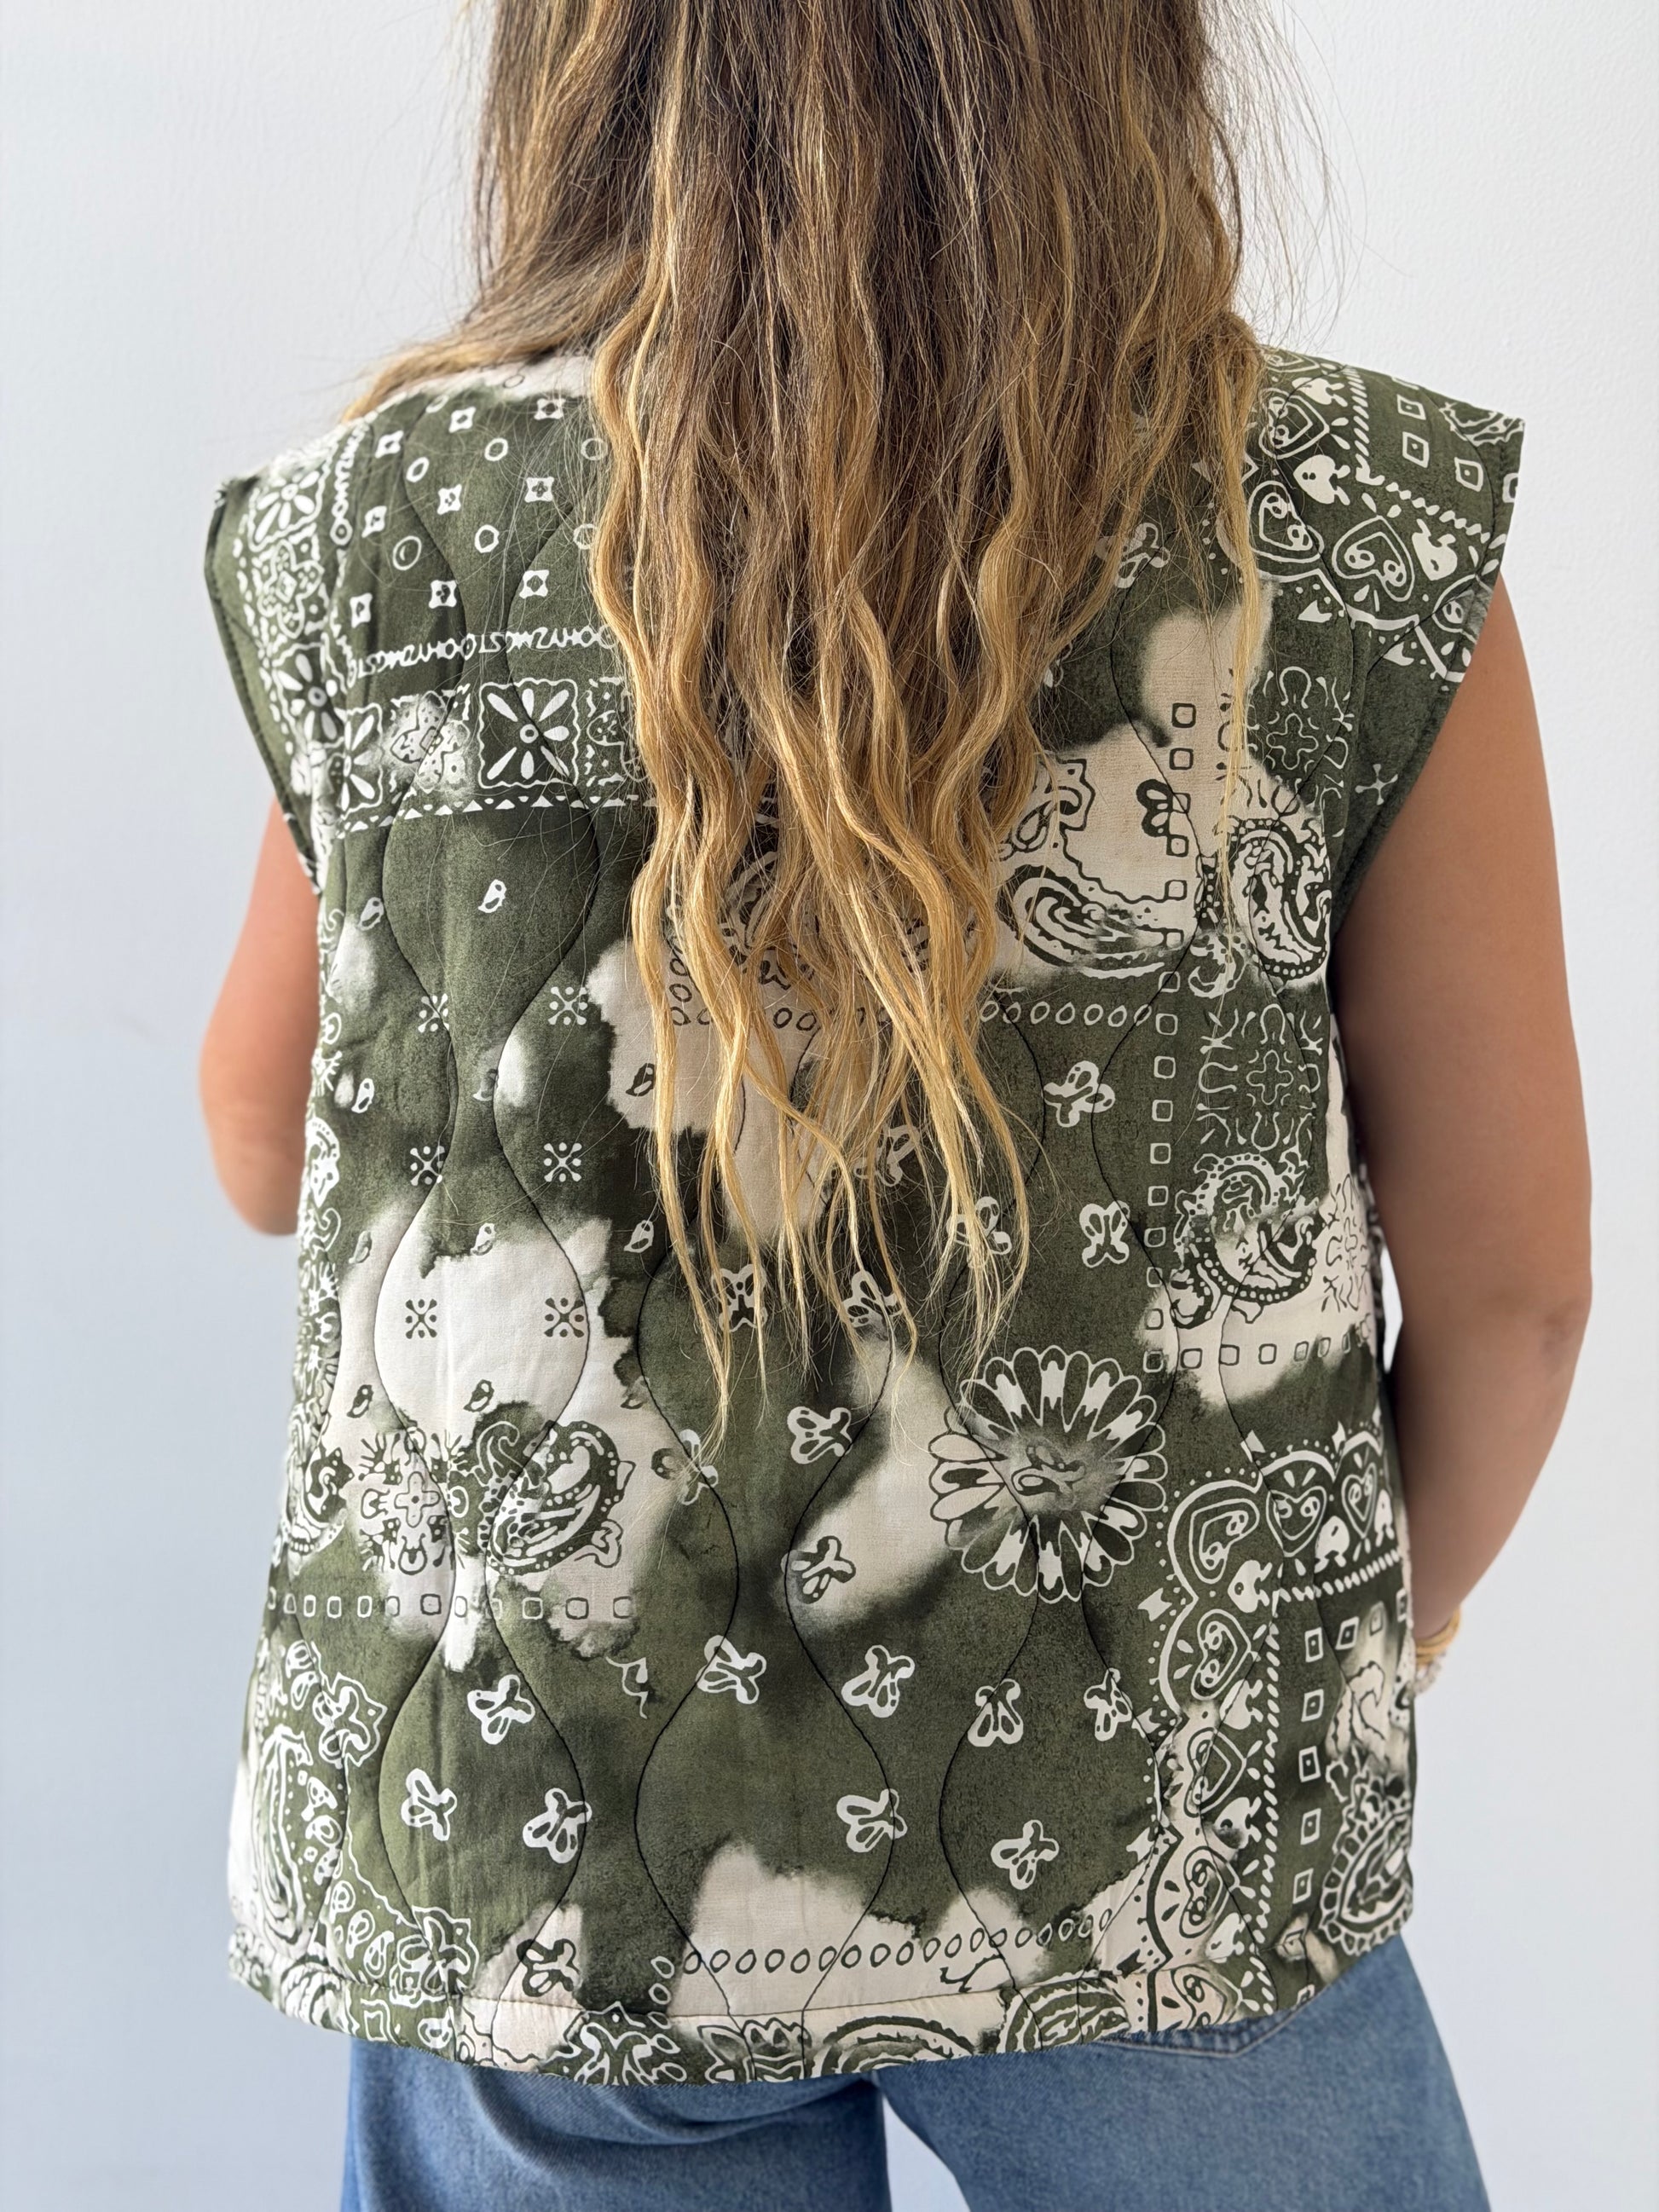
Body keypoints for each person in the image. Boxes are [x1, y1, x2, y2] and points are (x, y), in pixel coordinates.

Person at [198, 3, 1590, 2207]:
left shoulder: (393, 530)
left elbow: (259, 1136)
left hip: (554, 1855)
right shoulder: (1343, 534)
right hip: (1166, 1831)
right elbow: (1514, 1285)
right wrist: (1363, 1641)